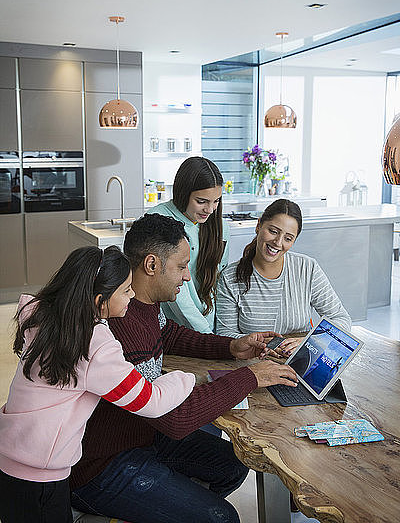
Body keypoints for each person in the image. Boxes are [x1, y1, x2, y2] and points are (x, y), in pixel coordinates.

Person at [70, 213, 298, 523]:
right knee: (222, 518)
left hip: (142, 436)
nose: (187, 276)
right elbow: (175, 419)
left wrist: (230, 347)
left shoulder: (142, 303)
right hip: (102, 466)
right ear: (152, 265)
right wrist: (250, 376)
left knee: (233, 464)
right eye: (181, 267)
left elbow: (168, 333)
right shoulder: (121, 323)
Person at [0, 245, 196, 523]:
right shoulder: (95, 346)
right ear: (100, 299)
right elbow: (150, 402)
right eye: (127, 290)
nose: (132, 295)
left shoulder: (45, 315)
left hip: (10, 458)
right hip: (41, 475)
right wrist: (186, 378)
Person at [215, 199, 351, 355]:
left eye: (288, 238)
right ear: (259, 225)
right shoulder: (229, 278)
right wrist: (259, 345)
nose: (278, 242)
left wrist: (309, 341)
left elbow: (341, 319)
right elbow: (225, 334)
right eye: (273, 231)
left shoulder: (307, 268)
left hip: (299, 361)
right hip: (253, 364)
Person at [148, 156, 229, 333]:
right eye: (201, 201)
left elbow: (220, 280)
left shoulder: (219, 226)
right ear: (183, 193)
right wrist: (208, 337)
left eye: (216, 201)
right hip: (169, 329)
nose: (210, 210)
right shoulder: (158, 220)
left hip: (209, 325)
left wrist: (221, 333)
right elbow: (179, 299)